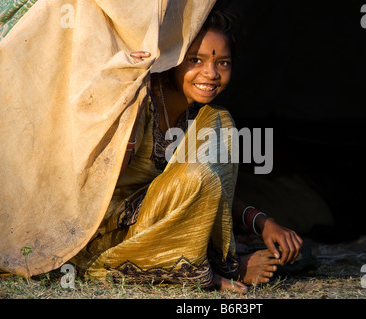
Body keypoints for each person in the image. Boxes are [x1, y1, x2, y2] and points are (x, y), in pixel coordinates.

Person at [71, 11, 303, 294]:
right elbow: (98, 179)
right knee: (196, 169)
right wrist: (128, 105)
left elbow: (206, 186)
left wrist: (263, 222)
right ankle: (208, 269)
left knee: (219, 123)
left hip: (157, 220)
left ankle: (211, 256)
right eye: (196, 60)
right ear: (172, 59)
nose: (211, 73)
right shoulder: (140, 98)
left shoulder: (197, 115)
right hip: (108, 234)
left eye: (223, 62)